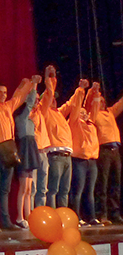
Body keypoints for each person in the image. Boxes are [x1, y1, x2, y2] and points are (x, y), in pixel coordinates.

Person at [0, 77, 36, 231]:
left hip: (9, 152)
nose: (3, 95)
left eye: (5, 93)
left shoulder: (7, 106)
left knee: (5, 189)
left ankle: (5, 221)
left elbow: (19, 96)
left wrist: (31, 83)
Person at [40, 66, 78, 208]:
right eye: (51, 99)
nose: (54, 101)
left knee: (64, 191)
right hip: (55, 155)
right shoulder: (44, 113)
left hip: (67, 155)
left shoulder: (59, 114)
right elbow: (48, 95)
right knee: (53, 189)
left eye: (55, 99)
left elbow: (70, 103)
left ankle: (62, 215)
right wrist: (49, 78)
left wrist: (80, 90)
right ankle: (53, 216)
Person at [89, 88, 123, 225]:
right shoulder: (95, 114)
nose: (102, 102)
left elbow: (120, 104)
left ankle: (114, 213)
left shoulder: (110, 112)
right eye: (99, 101)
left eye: (103, 100)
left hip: (115, 151)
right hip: (104, 150)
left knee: (116, 183)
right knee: (102, 183)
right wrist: (96, 94)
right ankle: (102, 213)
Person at [69, 82, 101, 225]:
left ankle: (92, 217)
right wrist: (81, 90)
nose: (84, 114)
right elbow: (76, 107)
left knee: (90, 191)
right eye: (81, 112)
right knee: (78, 191)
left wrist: (95, 92)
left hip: (92, 161)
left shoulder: (91, 124)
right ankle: (77, 218)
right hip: (79, 161)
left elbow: (94, 106)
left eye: (85, 112)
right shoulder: (75, 122)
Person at [13, 81, 41, 227]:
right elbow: (29, 102)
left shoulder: (30, 119)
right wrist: (34, 85)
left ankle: (28, 216)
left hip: (31, 149)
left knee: (30, 188)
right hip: (24, 149)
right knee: (23, 187)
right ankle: (19, 217)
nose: (35, 104)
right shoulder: (21, 117)